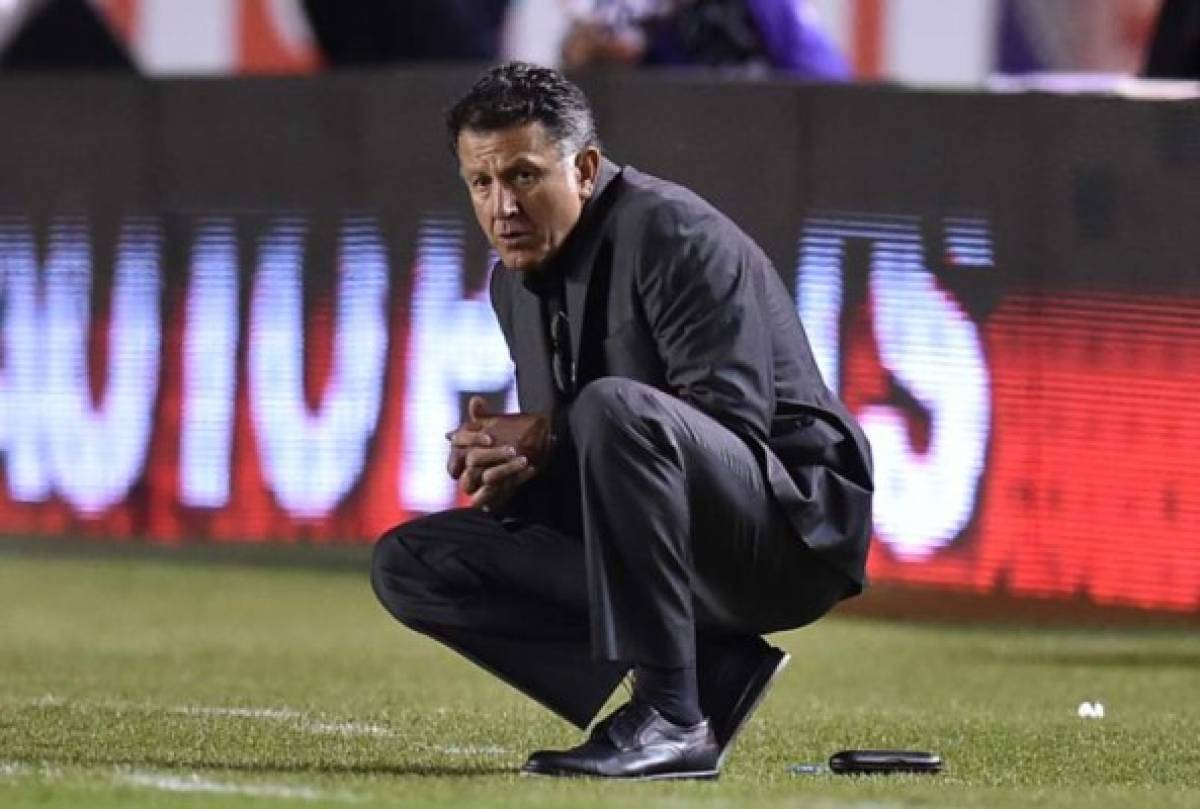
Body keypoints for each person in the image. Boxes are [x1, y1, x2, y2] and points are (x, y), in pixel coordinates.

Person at [371, 61, 873, 780]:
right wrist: (520, 476)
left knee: (613, 407)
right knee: (411, 565)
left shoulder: (672, 232)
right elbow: (589, 461)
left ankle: (671, 715)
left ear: (583, 167)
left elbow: (727, 421)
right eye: (480, 183)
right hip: (681, 542)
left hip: (787, 532)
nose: (501, 206)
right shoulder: (512, 281)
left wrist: (548, 436)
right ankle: (705, 664)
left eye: (522, 176)